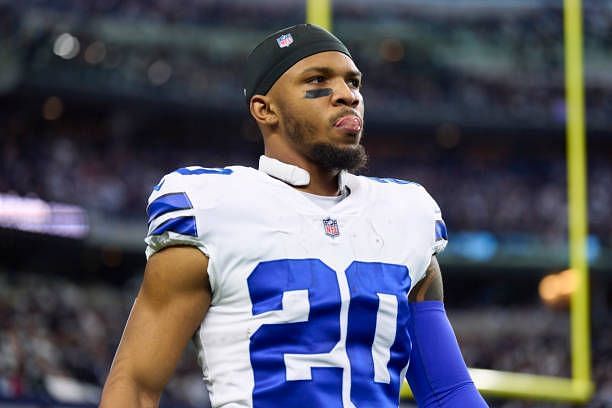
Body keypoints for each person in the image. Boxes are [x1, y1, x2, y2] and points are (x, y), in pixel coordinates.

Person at [100, 24, 488, 407]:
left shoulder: (406, 214)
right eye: (319, 80)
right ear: (265, 109)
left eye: (353, 83)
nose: (346, 95)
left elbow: (447, 391)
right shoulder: (214, 209)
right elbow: (134, 386)